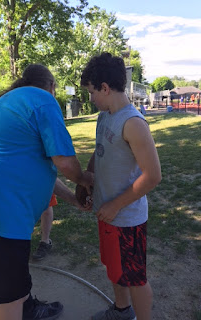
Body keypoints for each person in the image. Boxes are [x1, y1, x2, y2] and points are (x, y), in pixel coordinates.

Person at [0, 63, 93, 320]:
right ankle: (21, 309)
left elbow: (39, 171)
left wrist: (74, 201)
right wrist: (84, 179)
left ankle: (29, 309)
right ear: (52, 87)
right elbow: (65, 162)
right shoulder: (43, 101)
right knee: (7, 299)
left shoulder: (16, 101)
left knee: (14, 279)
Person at [80, 52, 162, 320]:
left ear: (105, 88)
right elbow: (100, 149)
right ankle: (122, 310)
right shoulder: (105, 116)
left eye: (92, 92)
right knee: (115, 269)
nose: (91, 99)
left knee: (135, 277)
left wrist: (115, 205)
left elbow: (152, 176)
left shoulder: (133, 123)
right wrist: (88, 178)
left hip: (126, 217)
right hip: (107, 213)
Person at [33, 179, 86, 260]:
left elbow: (52, 177)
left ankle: (45, 241)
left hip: (39, 180)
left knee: (46, 207)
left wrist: (75, 200)